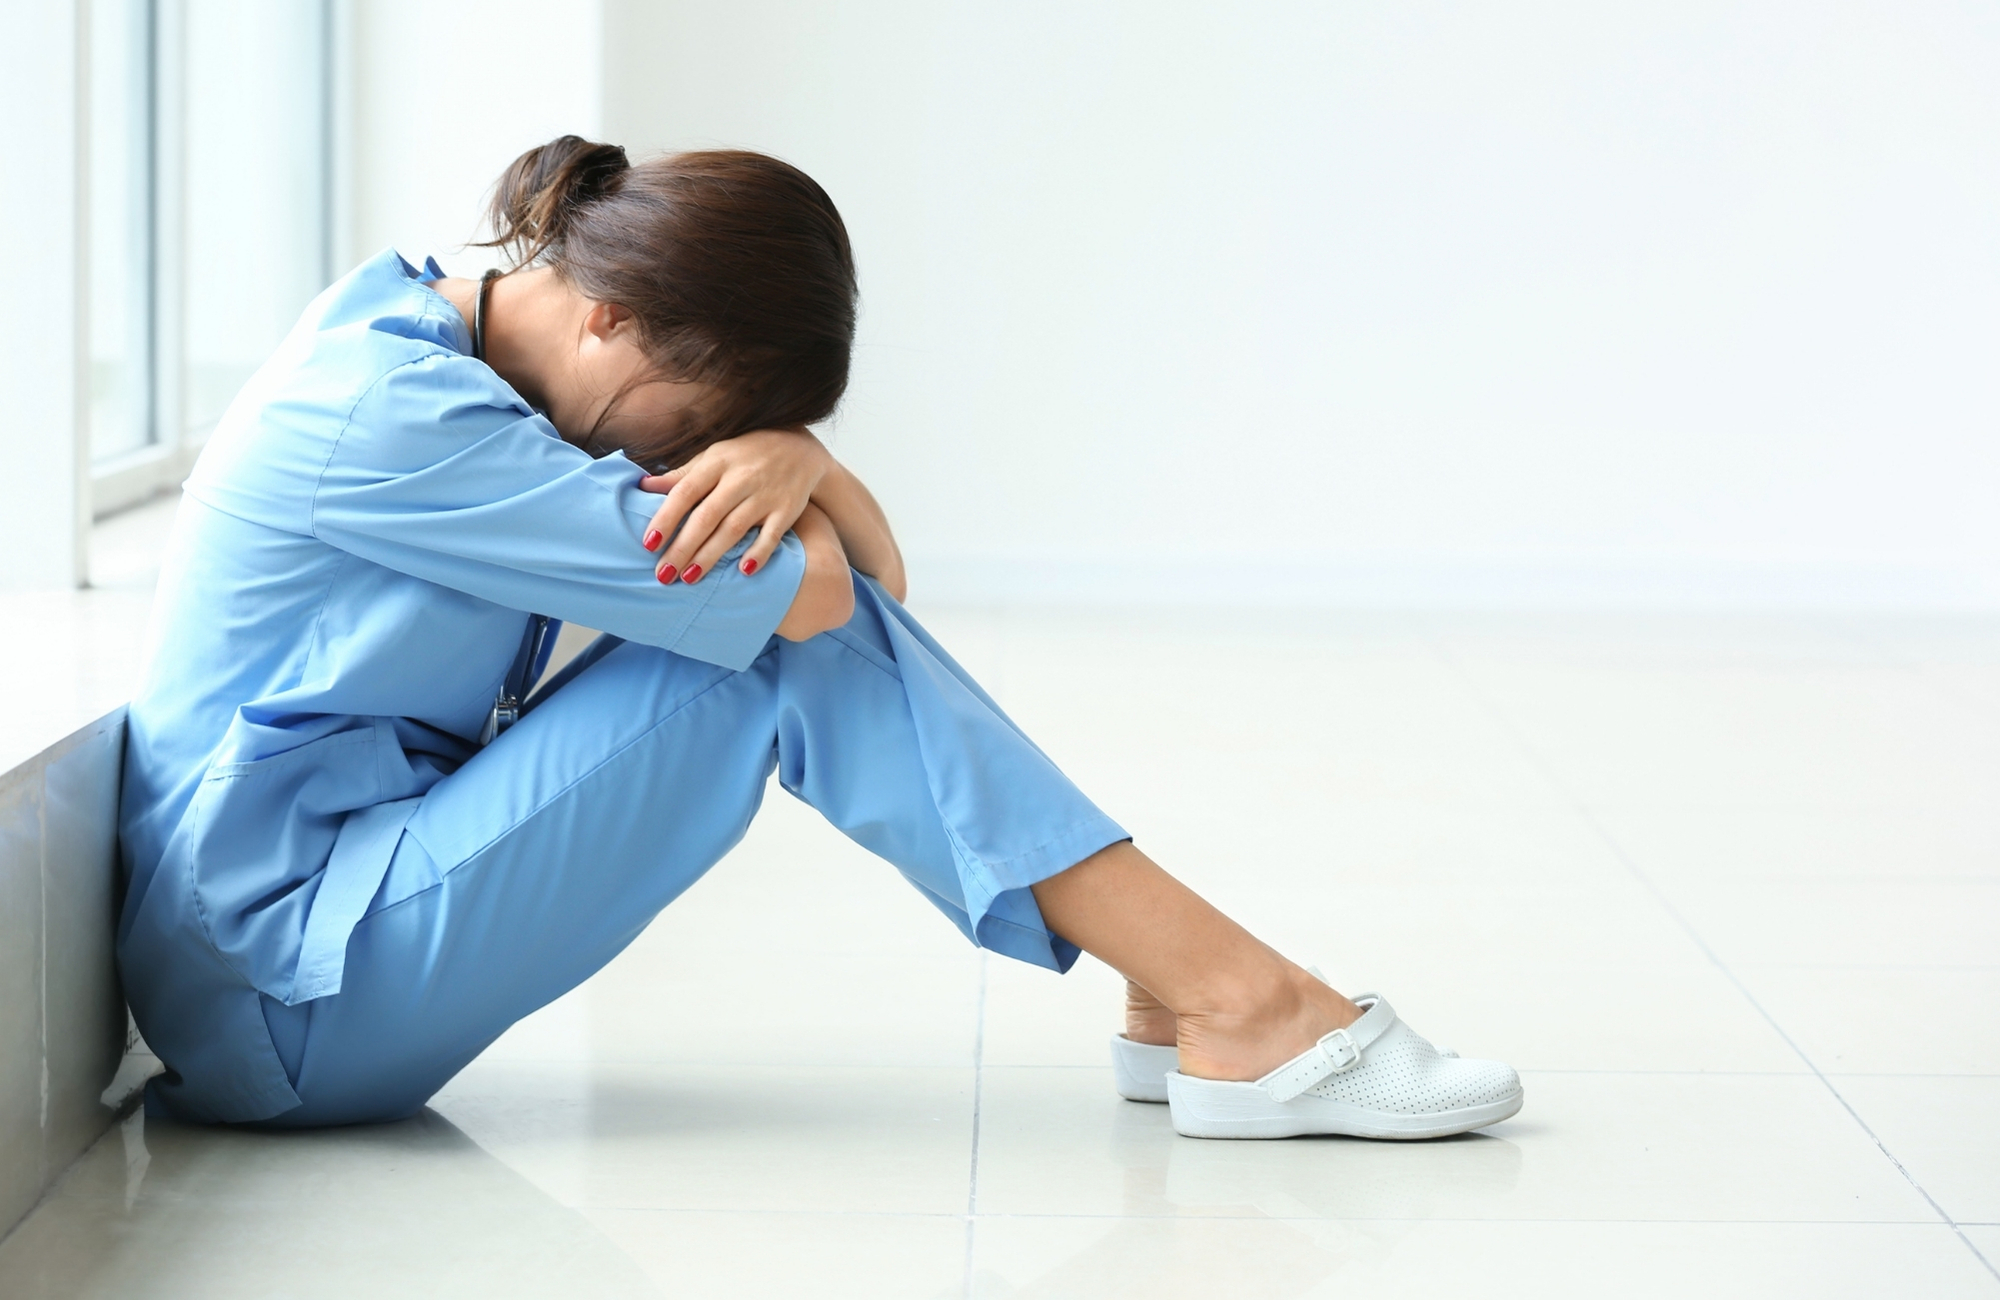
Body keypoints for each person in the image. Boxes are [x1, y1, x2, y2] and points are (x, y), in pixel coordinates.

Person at [116, 137, 1521, 1140]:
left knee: (769, 629)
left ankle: (1201, 999)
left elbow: (863, 587)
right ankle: (1235, 1001)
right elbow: (826, 607)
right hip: (283, 992)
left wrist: (789, 455)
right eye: (705, 419)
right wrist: (801, 470)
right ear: (611, 319)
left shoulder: (427, 337)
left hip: (327, 917)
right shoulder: (404, 423)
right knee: (769, 647)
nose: (697, 457)